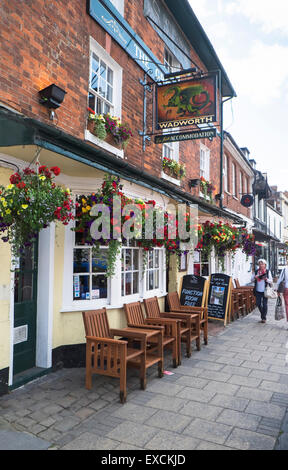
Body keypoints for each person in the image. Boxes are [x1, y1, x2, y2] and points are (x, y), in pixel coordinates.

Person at [252, 259, 273, 323]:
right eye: (260, 264)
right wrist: (254, 277)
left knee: (264, 304)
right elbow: (251, 279)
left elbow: (271, 281)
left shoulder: (267, 271)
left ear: (265, 265)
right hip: (258, 290)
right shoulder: (256, 272)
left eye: (262, 264)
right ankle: (263, 314)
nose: (261, 265)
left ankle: (263, 318)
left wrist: (266, 279)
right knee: (258, 303)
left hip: (265, 290)